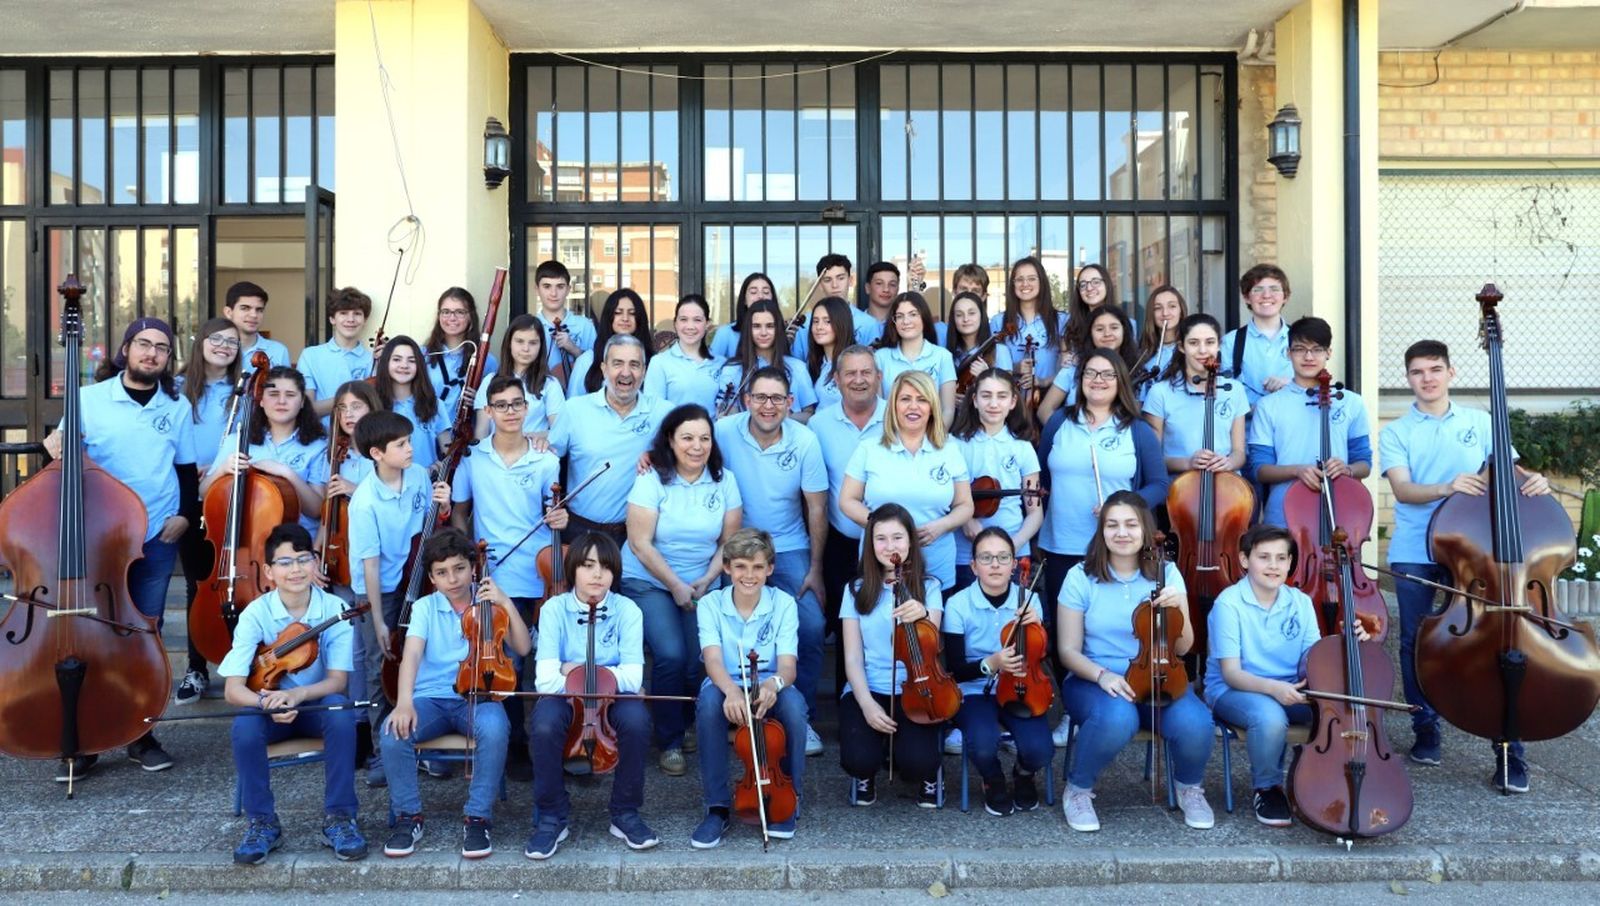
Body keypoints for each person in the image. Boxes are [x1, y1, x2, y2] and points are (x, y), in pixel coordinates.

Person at [1378, 338, 1551, 791]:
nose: (1427, 378)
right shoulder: (1396, 432)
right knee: (1416, 641)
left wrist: (1536, 481)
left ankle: (1509, 748)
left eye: (1435, 369)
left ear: (1451, 373)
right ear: (1408, 378)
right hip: (1417, 547)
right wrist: (1447, 487)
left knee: (1500, 640)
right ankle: (1426, 729)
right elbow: (1403, 491)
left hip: (1476, 552)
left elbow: (1512, 474)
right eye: (1417, 372)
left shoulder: (1482, 421)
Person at [43, 316, 197, 777]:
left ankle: (139, 733)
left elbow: (186, 469)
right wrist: (54, 447)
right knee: (91, 637)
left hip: (154, 537)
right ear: (126, 350)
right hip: (99, 541)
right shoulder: (88, 399)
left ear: (169, 359)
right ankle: (85, 737)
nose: (152, 354)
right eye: (143, 345)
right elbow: (64, 460)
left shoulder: (178, 404)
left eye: (162, 348)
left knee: (140, 639)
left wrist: (184, 516)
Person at [1057, 491, 1214, 832]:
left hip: (1160, 675)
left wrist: (1178, 609)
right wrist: (1103, 677)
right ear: (1101, 532)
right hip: (1096, 678)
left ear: (1144, 529)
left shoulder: (1167, 573)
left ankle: (1189, 787)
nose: (1121, 532)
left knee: (1197, 723)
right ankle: (1079, 789)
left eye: (1130, 524)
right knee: (1117, 717)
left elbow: (1184, 647)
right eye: (1112, 525)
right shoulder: (1080, 577)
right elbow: (1068, 652)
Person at [379, 528, 531, 860]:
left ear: (473, 568)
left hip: (480, 694)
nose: (453, 579)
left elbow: (522, 646)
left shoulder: (490, 603)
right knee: (392, 733)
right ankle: (409, 816)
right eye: (442, 572)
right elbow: (413, 656)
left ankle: (478, 817)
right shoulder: (425, 608)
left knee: (494, 728)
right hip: (431, 698)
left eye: (460, 568)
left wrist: (505, 601)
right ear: (432, 578)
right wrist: (403, 702)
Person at [222, 523, 365, 865]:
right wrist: (264, 703)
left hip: (314, 706)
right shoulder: (257, 612)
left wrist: (299, 695)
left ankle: (340, 818)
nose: (296, 569)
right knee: (244, 727)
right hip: (271, 710)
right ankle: (262, 822)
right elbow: (232, 688)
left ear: (316, 564)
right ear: (269, 571)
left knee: (341, 712)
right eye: (285, 563)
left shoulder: (334, 610)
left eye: (303, 560)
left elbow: (337, 681)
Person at [1204, 524, 1363, 826]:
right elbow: (1232, 673)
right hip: (1235, 689)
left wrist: (1348, 642)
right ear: (1244, 560)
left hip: (1290, 687)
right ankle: (1268, 787)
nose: (1273, 566)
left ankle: (1323, 781)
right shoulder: (1229, 604)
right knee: (1270, 717)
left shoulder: (1300, 602)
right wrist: (1275, 690)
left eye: (1281, 558)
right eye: (1264, 557)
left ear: (1291, 563)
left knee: (1337, 710)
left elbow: (1312, 658)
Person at [450, 374, 567, 782]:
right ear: (489, 411)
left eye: (517, 404)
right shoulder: (473, 459)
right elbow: (461, 513)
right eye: (501, 405)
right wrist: (470, 557)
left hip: (538, 574)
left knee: (541, 662)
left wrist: (560, 520)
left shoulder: (546, 459)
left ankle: (554, 744)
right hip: (493, 574)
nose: (511, 411)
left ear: (527, 407)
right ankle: (515, 743)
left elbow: (552, 517)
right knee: (508, 661)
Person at [714, 366, 829, 754]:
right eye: (760, 397)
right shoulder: (725, 431)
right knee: (721, 626)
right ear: (747, 400)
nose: (768, 406)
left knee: (812, 625)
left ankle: (803, 716)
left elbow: (816, 507)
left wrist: (815, 568)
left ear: (790, 403)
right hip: (738, 546)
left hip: (789, 546)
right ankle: (728, 716)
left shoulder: (805, 440)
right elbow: (684, 452)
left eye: (777, 398)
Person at [623, 403, 743, 775]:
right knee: (672, 654)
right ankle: (670, 739)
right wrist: (674, 584)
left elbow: (729, 541)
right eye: (687, 438)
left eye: (704, 438)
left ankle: (689, 722)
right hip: (648, 580)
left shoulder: (724, 480)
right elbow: (640, 543)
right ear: (670, 441)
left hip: (701, 581)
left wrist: (707, 580)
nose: (696, 446)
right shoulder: (652, 479)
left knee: (700, 657)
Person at [525, 532, 659, 859]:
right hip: (564, 699)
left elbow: (634, 677)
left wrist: (575, 670)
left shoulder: (628, 610)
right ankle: (552, 816)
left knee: (637, 722)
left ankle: (625, 812)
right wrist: (604, 675)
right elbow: (544, 681)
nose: (597, 575)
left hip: (611, 700)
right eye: (588, 566)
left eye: (605, 567)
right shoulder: (555, 609)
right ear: (574, 570)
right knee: (543, 726)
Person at [346, 410, 452, 783]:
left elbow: (430, 527)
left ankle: (423, 744)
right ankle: (381, 749)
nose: (410, 449)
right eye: (401, 444)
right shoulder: (364, 502)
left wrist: (444, 507)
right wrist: (377, 621)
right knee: (381, 664)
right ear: (377, 453)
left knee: (421, 658)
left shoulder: (420, 476)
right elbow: (371, 567)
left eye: (409, 441)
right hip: (381, 589)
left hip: (417, 576)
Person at [690, 528, 808, 847]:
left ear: (770, 568)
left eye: (758, 567)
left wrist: (774, 684)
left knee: (795, 709)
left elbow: (787, 666)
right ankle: (717, 807)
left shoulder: (783, 603)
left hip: (768, 679)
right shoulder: (711, 604)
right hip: (727, 681)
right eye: (740, 566)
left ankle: (788, 798)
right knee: (708, 704)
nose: (749, 575)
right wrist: (730, 690)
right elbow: (713, 660)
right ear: (727, 568)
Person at [1037, 350, 1168, 620]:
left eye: (1108, 374)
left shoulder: (1137, 429)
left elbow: (1159, 485)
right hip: (1062, 543)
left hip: (1117, 546)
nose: (1099, 380)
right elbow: (1043, 483)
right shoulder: (1058, 422)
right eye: (1091, 373)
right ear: (1080, 379)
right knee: (1064, 635)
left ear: (1120, 380)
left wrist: (1121, 508)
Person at [838, 503, 946, 808]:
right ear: (870, 545)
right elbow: (852, 659)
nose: (890, 546)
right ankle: (867, 770)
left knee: (917, 763)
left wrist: (921, 612)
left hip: (916, 689)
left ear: (911, 541)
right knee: (858, 760)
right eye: (881, 538)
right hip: (870, 686)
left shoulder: (930, 587)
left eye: (897, 538)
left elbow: (931, 648)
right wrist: (867, 704)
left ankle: (930, 771)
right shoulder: (855, 590)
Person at [941, 529, 1051, 815]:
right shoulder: (957, 605)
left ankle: (1023, 774)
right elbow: (953, 669)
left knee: (1041, 749)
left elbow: (1043, 655)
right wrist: (991, 663)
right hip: (975, 690)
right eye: (986, 558)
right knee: (983, 743)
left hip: (1020, 687)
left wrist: (1037, 627)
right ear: (974, 565)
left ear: (1014, 564)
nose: (995, 565)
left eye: (1003, 557)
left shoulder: (1029, 601)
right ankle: (992, 779)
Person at [840, 371, 975, 593]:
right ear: (893, 405)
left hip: (935, 563)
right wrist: (883, 528)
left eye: (922, 399)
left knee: (931, 627)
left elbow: (965, 505)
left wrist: (942, 526)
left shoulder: (950, 449)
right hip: (880, 564)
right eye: (905, 399)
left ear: (932, 407)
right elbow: (847, 500)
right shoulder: (869, 448)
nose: (914, 407)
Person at [173, 317, 243, 707]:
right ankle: (196, 668)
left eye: (231, 341)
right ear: (200, 342)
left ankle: (242, 662)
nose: (223, 346)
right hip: (191, 493)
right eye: (216, 339)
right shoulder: (177, 388)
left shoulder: (245, 390)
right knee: (198, 584)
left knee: (238, 579)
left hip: (231, 492)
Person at [1248, 316, 1372, 528]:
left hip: (1339, 513)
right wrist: (1297, 470)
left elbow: (1364, 463)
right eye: (1299, 349)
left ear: (1328, 353)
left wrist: (1347, 469)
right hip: (1284, 516)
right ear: (1288, 353)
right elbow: (1260, 469)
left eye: (1317, 349)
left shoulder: (1351, 402)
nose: (1308, 356)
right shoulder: (1268, 405)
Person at [547, 334, 668, 543]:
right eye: (617, 363)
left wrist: (659, 455)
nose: (626, 372)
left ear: (645, 371)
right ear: (603, 369)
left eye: (635, 364)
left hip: (637, 537)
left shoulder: (663, 412)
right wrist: (551, 505)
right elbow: (548, 461)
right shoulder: (574, 409)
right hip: (580, 531)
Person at [807, 345, 887, 655]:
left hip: (888, 544)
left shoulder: (897, 417)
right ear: (836, 379)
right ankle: (848, 701)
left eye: (866, 372)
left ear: (879, 377)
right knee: (845, 633)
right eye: (850, 373)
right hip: (840, 542)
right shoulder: (819, 425)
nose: (858, 380)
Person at [202, 366, 329, 536]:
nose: (281, 401)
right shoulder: (237, 440)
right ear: (261, 400)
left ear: (302, 402)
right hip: (246, 540)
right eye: (273, 394)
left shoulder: (318, 446)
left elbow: (315, 510)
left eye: (290, 395)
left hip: (297, 543)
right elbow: (203, 492)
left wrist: (286, 473)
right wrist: (222, 469)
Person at [949, 369, 1042, 594]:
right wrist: (965, 520)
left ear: (1012, 402)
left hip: (1014, 552)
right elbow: (947, 497)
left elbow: (1035, 513)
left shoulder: (1022, 448)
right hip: (966, 552)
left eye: (1001, 396)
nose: (993, 403)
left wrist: (1013, 545)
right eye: (986, 395)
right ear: (974, 400)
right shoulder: (955, 445)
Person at [1144, 313, 1250, 480]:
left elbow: (1239, 452)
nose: (1202, 350)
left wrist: (1228, 463)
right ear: (1181, 347)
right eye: (1193, 343)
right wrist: (1188, 463)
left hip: (1227, 487)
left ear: (1219, 345)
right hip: (1180, 491)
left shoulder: (1234, 390)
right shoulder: (1160, 392)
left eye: (1210, 342)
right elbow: (1151, 458)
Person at [1038, 302, 1138, 426]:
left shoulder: (1137, 369)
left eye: (1114, 327)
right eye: (1099, 329)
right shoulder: (1073, 367)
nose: (1107, 334)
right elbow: (1044, 410)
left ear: (1124, 330)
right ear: (1090, 333)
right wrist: (1066, 436)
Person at [715, 299, 816, 418]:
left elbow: (809, 413)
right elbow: (726, 416)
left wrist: (782, 419)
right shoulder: (732, 370)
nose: (763, 333)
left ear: (778, 329)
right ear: (748, 330)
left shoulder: (798, 368)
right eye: (757, 326)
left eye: (770, 326)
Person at [472, 314, 564, 439]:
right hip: (494, 456)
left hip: (535, 454)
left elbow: (559, 433)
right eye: (519, 341)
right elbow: (481, 433)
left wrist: (524, 439)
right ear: (509, 343)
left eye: (533, 343)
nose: (526, 349)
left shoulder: (550, 384)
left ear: (541, 346)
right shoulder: (489, 381)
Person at [875, 291, 957, 424]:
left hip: (931, 439)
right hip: (892, 439)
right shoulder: (880, 358)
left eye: (913, 314)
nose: (906, 321)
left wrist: (935, 441)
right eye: (900, 316)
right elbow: (878, 408)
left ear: (924, 318)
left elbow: (947, 410)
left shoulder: (943, 356)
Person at [991, 256, 1068, 399]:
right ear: (1013, 285)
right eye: (1019, 279)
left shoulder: (1061, 320)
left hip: (1052, 397)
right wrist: (1015, 368)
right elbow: (991, 366)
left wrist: (1044, 381)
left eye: (1032, 278)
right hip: (1011, 400)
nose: (1025, 284)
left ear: (1042, 282)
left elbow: (1069, 366)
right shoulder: (998, 322)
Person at [1220, 264, 1293, 408]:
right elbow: (1223, 390)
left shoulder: (1301, 339)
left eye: (1274, 289)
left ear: (1286, 297)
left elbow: (1314, 385)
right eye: (1258, 289)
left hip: (1292, 428)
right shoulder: (1231, 342)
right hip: (1247, 428)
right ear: (1247, 298)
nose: (1266, 295)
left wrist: (1290, 384)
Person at [374, 335, 451, 470]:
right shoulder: (374, 404)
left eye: (411, 361)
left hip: (425, 486)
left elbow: (448, 451)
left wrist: (440, 467)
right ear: (386, 362)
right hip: (385, 487)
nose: (404, 365)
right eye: (397, 359)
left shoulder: (434, 404)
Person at [297, 287, 375, 418]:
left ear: (365, 320)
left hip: (362, 436)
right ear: (332, 319)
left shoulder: (372, 360)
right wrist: (355, 394)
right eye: (343, 313)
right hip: (320, 436)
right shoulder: (310, 356)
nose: (351, 319)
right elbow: (308, 410)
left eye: (357, 313)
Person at [570, 288, 656, 400]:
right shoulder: (587, 360)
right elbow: (572, 406)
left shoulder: (654, 362)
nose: (625, 319)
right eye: (618, 313)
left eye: (632, 313)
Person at [644, 294, 723, 412]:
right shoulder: (659, 363)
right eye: (683, 319)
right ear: (675, 323)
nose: (690, 326)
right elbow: (653, 411)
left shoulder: (721, 363)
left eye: (697, 320)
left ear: (707, 324)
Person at [424, 286, 498, 409]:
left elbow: (495, 405)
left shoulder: (487, 361)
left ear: (471, 316)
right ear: (439, 316)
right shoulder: (423, 354)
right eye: (446, 312)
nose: (452, 318)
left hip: (469, 427)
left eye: (460, 312)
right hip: (429, 427)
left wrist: (481, 400)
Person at [532, 260, 596, 382]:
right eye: (547, 286)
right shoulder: (529, 327)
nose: (553, 293)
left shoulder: (585, 326)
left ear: (568, 289)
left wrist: (574, 348)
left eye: (560, 286)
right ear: (537, 289)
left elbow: (597, 368)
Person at [945, 290, 1012, 396]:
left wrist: (986, 374)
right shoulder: (947, 355)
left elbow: (1009, 392)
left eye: (971, 313)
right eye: (959, 315)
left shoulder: (1000, 351)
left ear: (981, 316)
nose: (966, 319)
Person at [1131, 285, 1186, 402]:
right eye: (1157, 308)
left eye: (1172, 306)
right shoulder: (1142, 351)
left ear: (1181, 311)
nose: (1165, 313)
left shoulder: (1190, 350)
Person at [803, 296, 857, 411]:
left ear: (841, 323)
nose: (819, 327)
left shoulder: (855, 362)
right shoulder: (813, 363)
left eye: (827, 321)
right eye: (815, 321)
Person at [225, 281, 290, 371]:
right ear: (228, 312)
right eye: (245, 308)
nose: (254, 315)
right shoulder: (216, 348)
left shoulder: (278, 351)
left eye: (259, 310)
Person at [711, 272, 778, 358]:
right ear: (744, 300)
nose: (761, 296)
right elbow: (712, 367)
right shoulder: (725, 333)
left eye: (766, 292)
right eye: (753, 292)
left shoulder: (778, 332)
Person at [1062, 263, 1116, 353]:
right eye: (1083, 285)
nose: (1089, 288)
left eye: (1095, 282)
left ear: (1107, 285)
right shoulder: (1071, 327)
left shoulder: (1125, 323)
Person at [854, 261, 903, 348]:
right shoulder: (855, 323)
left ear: (898, 289)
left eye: (892, 284)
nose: (886, 289)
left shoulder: (903, 324)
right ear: (867, 288)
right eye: (879, 283)